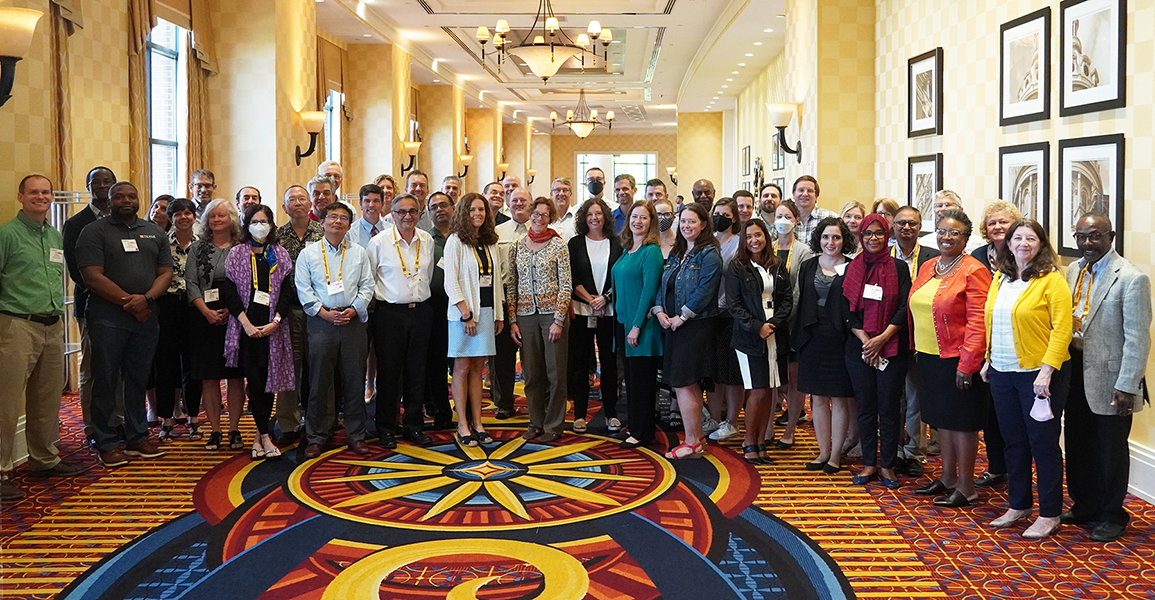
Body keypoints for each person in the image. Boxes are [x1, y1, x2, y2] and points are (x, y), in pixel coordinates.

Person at [981, 219, 1072, 539]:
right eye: (1017, 238)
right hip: (1003, 373)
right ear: (1008, 243)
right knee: (1014, 442)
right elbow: (990, 319)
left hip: (1039, 377)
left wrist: (1047, 371)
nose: (1023, 243)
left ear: (1041, 244)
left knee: (1042, 444)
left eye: (1030, 238)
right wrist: (988, 359)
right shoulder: (1000, 278)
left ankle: (1049, 513)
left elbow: (1063, 329)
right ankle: (1018, 504)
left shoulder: (1052, 280)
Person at [1063, 213, 1151, 542]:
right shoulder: (1073, 270)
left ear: (1110, 237)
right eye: (1081, 236)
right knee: (1077, 442)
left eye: (1095, 236)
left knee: (1110, 449)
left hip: (1113, 379)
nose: (1087, 243)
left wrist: (1128, 385)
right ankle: (1085, 504)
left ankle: (1113, 513)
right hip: (1074, 369)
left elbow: (1139, 339)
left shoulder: (1131, 278)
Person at [76, 181, 174, 467]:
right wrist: (129, 302)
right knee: (105, 378)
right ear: (110, 200)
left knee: (137, 378)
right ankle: (105, 441)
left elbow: (165, 272)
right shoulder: (93, 232)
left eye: (131, 195)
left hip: (146, 317)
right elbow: (91, 276)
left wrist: (146, 299)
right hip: (108, 317)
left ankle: (137, 437)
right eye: (119, 196)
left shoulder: (154, 232)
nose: (126, 200)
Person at [0, 175, 84, 501]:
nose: (40, 197)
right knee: (7, 402)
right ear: (20, 196)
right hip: (16, 325)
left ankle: (43, 458)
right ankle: (3, 469)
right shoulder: (7, 235)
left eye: (45, 192)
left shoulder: (53, 234)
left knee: (47, 398)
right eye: (33, 192)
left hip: (52, 325)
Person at [909, 210, 991, 506]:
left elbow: (978, 321)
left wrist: (968, 364)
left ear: (966, 238)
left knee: (962, 423)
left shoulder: (973, 270)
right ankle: (947, 477)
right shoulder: (930, 265)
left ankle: (967, 486)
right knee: (941, 420)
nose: (946, 237)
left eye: (954, 233)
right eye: (942, 231)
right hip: (928, 356)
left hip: (957, 359)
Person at [297, 202, 376, 458]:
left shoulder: (359, 252)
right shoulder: (308, 254)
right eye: (332, 217)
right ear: (321, 222)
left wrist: (354, 309)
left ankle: (356, 435)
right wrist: (323, 313)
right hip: (321, 321)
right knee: (319, 380)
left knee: (355, 380)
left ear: (349, 225)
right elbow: (303, 288)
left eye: (344, 218)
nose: (338, 222)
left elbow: (367, 286)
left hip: (352, 321)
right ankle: (316, 436)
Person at [843, 214, 910, 489]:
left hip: (892, 346)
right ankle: (869, 462)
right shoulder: (853, 268)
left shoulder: (899, 267)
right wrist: (867, 341)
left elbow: (904, 308)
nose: (873, 238)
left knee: (889, 408)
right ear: (861, 236)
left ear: (887, 235)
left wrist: (881, 339)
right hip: (860, 348)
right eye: (868, 233)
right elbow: (848, 311)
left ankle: (888, 465)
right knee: (866, 407)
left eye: (878, 233)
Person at [223, 205, 293, 460]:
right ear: (246, 224)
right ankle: (264, 434)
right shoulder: (236, 254)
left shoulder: (280, 255)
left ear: (272, 225)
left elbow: (287, 293)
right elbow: (229, 293)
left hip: (273, 328)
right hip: (246, 328)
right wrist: (246, 323)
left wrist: (275, 321)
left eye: (264, 221)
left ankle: (260, 434)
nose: (259, 225)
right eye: (255, 221)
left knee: (268, 383)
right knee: (253, 382)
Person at [366, 193, 436, 448]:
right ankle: (385, 426)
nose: (408, 216)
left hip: (420, 311)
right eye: (401, 212)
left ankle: (413, 425)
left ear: (419, 214)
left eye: (413, 212)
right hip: (389, 314)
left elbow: (425, 275)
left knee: (417, 371)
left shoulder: (426, 240)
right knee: (389, 373)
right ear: (391, 215)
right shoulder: (379, 242)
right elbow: (370, 277)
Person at [654, 203, 723, 459]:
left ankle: (692, 441)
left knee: (684, 384)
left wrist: (682, 316)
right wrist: (659, 310)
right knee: (686, 384)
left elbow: (705, 290)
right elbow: (664, 284)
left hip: (695, 326)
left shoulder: (709, 254)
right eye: (683, 221)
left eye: (692, 221)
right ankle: (696, 440)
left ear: (703, 224)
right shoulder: (678, 252)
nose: (686, 226)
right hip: (672, 324)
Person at [726, 218, 792, 464]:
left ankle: (761, 441)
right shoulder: (737, 267)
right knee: (757, 390)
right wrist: (757, 327)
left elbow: (787, 300)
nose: (755, 240)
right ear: (744, 240)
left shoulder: (777, 264)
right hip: (749, 338)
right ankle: (749, 441)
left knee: (769, 392)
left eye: (759, 235)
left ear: (766, 236)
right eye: (749, 236)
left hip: (775, 335)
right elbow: (734, 305)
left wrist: (773, 324)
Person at [793, 216, 856, 474]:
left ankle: (836, 454)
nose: (831, 242)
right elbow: (801, 300)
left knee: (840, 399)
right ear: (819, 239)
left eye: (837, 237)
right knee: (817, 399)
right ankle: (822, 452)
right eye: (826, 237)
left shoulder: (853, 267)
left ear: (844, 240)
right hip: (812, 338)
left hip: (841, 339)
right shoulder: (808, 266)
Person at [509, 197, 572, 443]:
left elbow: (566, 285)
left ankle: (554, 424)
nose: (538, 218)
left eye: (544, 215)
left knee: (555, 372)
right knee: (532, 373)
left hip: (552, 316)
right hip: (525, 317)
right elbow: (512, 284)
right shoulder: (518, 246)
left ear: (551, 218)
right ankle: (535, 422)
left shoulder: (558, 245)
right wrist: (513, 319)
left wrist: (558, 319)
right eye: (535, 213)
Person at [444, 193, 505, 447]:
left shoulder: (490, 241)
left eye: (481, 209)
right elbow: (451, 281)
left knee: (478, 369)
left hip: (487, 311)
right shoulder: (455, 241)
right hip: (463, 315)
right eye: (472, 210)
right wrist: (465, 313)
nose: (477, 214)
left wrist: (499, 314)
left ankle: (478, 423)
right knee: (462, 368)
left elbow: (496, 281)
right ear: (463, 213)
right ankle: (462, 425)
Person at [969, 200, 1021, 489]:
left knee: (1014, 417)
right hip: (982, 344)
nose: (998, 227)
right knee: (989, 413)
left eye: (1003, 222)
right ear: (985, 230)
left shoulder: (1025, 255)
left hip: (1016, 345)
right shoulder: (977, 256)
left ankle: (1018, 472)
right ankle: (996, 467)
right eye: (992, 223)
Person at [186, 199, 246, 451]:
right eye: (213, 216)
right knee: (209, 377)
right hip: (204, 318)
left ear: (232, 218)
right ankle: (215, 430)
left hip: (237, 317)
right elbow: (191, 283)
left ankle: (234, 429)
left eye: (222, 216)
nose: (218, 220)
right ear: (207, 220)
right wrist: (207, 312)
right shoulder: (197, 248)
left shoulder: (242, 247)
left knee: (235, 376)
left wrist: (236, 312)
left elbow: (249, 283)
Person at [63, 166, 117, 443]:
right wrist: (110, 294)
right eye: (96, 182)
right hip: (92, 305)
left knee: (118, 366)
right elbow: (77, 271)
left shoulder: (124, 220)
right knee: (93, 367)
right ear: (87, 186)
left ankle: (117, 420)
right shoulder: (75, 224)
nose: (102, 186)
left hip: (124, 306)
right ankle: (92, 425)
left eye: (108, 181)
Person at [889, 205, 941, 475]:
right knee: (892, 395)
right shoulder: (883, 254)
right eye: (901, 223)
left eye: (912, 223)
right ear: (893, 226)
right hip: (889, 334)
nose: (906, 228)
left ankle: (914, 453)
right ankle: (893, 448)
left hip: (921, 336)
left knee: (915, 396)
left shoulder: (933, 258)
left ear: (920, 226)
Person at [613, 201, 665, 449]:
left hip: (641, 328)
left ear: (651, 222)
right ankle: (635, 425)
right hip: (623, 324)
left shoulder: (651, 251)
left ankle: (643, 431)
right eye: (634, 216)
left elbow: (648, 292)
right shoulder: (627, 250)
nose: (638, 221)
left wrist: (636, 326)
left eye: (644, 218)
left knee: (642, 382)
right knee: (631, 381)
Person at [274, 185, 322, 445]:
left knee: (319, 366)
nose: (298, 203)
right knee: (289, 368)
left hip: (319, 311)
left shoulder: (323, 233)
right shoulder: (277, 237)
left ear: (310, 204)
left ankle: (319, 421)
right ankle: (289, 423)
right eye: (292, 200)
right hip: (289, 310)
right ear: (284, 207)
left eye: (302, 198)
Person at [568, 198, 621, 434]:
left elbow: (619, 276)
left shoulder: (617, 243)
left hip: (608, 312)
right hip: (581, 311)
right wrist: (590, 299)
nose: (594, 218)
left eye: (598, 214)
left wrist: (605, 299)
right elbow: (571, 277)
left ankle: (611, 413)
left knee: (609, 364)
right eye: (589, 214)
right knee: (580, 364)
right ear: (583, 218)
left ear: (605, 217)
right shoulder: (575, 243)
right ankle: (579, 414)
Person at [153, 198, 202, 442]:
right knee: (166, 364)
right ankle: (167, 419)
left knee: (193, 364)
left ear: (194, 216)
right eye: (178, 214)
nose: (183, 217)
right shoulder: (162, 243)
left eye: (188, 213)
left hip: (195, 307)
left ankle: (193, 416)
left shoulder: (202, 245)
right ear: (170, 218)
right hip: (167, 305)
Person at [769, 199, 815, 450]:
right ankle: (767, 427)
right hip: (769, 323)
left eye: (788, 216)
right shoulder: (768, 248)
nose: (782, 221)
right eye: (779, 216)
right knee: (772, 378)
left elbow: (800, 290)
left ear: (797, 220)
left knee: (794, 378)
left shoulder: (804, 251)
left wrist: (785, 318)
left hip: (793, 323)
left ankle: (790, 429)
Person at [491, 188, 531, 420]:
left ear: (531, 203)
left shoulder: (540, 231)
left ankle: (537, 401)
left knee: (533, 355)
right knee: (503, 356)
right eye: (514, 200)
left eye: (523, 200)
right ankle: (504, 402)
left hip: (531, 299)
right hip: (505, 297)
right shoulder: (497, 232)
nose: (518, 204)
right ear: (508, 203)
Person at [707, 198, 744, 441]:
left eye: (726, 214)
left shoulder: (739, 243)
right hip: (708, 314)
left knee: (732, 373)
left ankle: (731, 420)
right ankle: (713, 418)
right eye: (717, 213)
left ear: (734, 218)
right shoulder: (707, 240)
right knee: (712, 372)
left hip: (731, 314)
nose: (721, 218)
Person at [424, 191, 456, 430]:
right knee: (435, 362)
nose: (439, 210)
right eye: (433, 207)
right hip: (434, 308)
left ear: (453, 208)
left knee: (460, 363)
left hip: (460, 307)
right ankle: (441, 411)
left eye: (443, 205)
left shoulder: (463, 237)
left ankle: (464, 410)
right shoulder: (425, 240)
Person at [920, 190, 984, 253]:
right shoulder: (924, 242)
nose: (943, 208)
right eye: (939, 205)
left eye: (948, 205)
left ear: (960, 210)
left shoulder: (977, 243)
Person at [791, 176, 837, 244]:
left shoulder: (831, 217)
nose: (805, 194)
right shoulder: (785, 218)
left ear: (816, 196)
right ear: (793, 194)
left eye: (810, 191)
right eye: (801, 190)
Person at [347, 184, 387, 249]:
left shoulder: (391, 230)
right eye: (367, 201)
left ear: (382, 204)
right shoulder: (349, 233)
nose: (371, 205)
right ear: (360, 204)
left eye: (376, 201)